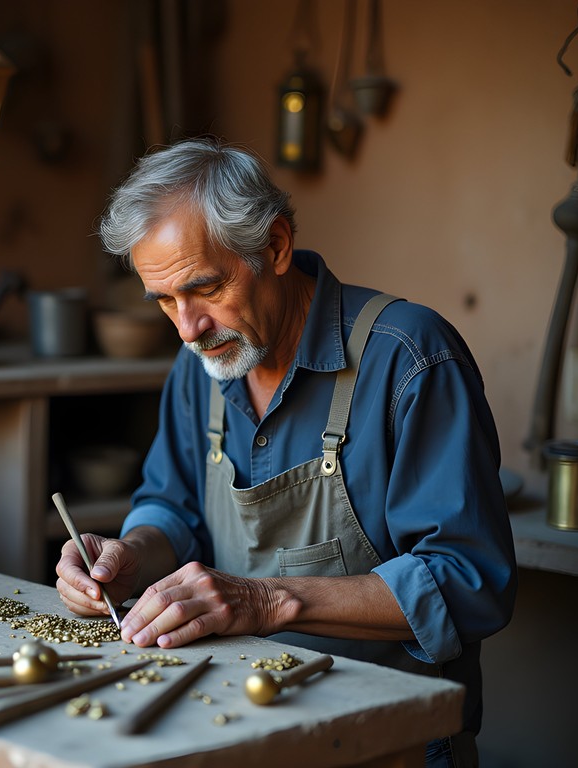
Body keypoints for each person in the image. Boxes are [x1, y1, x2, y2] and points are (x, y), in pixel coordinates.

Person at [55, 137, 517, 767]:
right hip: (233, 721)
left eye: (205, 288)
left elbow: (471, 582)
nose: (188, 328)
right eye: (165, 301)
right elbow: (173, 507)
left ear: (274, 247)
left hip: (389, 739)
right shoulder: (201, 368)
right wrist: (130, 556)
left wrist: (268, 600)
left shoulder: (409, 359)